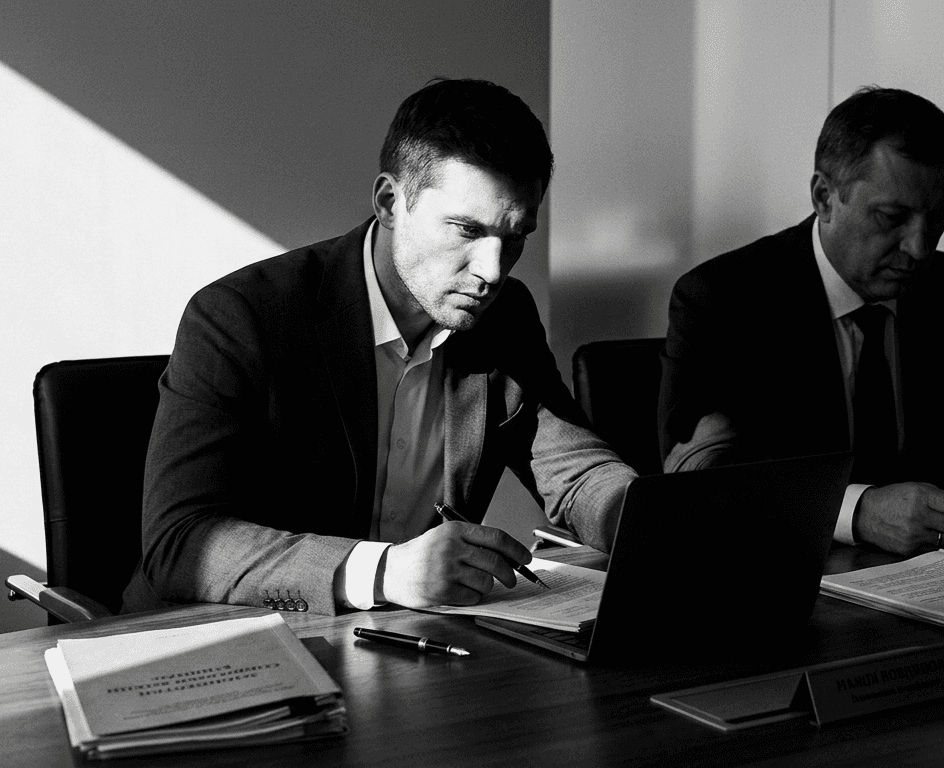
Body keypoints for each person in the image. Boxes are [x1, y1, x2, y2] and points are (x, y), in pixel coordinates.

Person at [123, 78, 636, 616]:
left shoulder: (504, 317)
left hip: (406, 640)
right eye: (466, 230)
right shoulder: (242, 318)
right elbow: (182, 541)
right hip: (217, 637)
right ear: (391, 202)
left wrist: (660, 525)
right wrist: (387, 572)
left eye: (515, 238)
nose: (492, 270)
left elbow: (577, 472)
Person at [658, 86, 944, 556]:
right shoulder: (723, 298)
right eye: (892, 217)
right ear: (825, 197)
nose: (920, 247)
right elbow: (700, 480)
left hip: (929, 579)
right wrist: (857, 512)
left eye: (938, 218)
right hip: (775, 570)